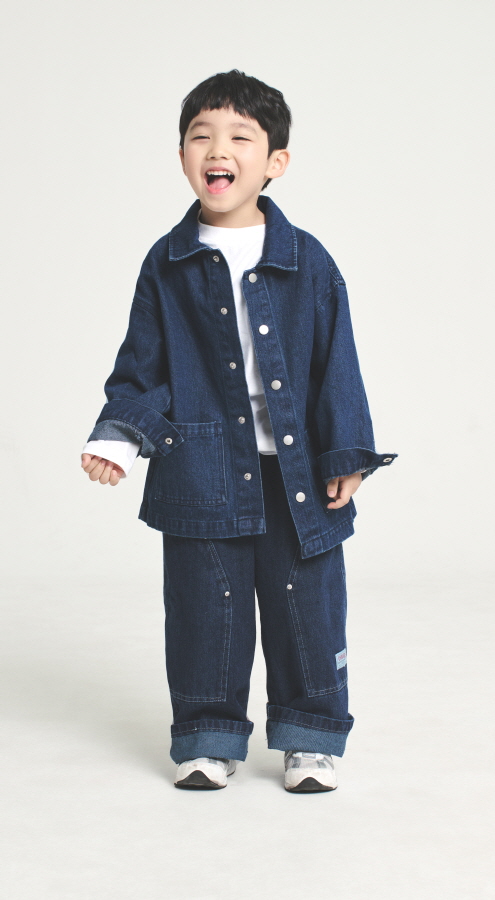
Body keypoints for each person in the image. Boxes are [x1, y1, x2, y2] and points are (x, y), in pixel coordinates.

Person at [80, 69, 397, 793]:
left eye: (239, 137)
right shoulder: (167, 264)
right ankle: (207, 738)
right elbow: (144, 363)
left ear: (275, 161)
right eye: (200, 136)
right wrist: (118, 437)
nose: (217, 149)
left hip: (297, 476)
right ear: (182, 156)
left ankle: (311, 739)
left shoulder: (307, 259)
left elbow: (336, 362)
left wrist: (344, 452)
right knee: (205, 613)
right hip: (201, 472)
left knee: (307, 609)